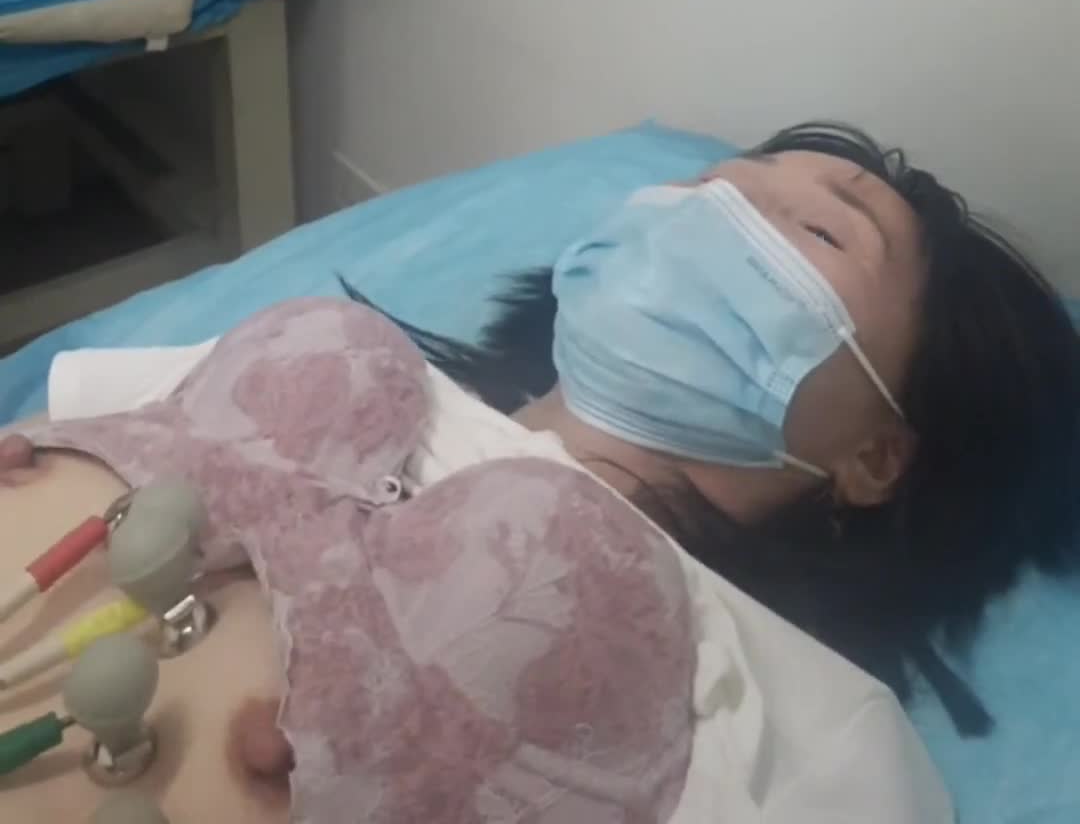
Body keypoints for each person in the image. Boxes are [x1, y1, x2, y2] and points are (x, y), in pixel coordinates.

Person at [1, 121, 1076, 821]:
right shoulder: (346, 373)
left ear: (875, 457)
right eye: (710, 186)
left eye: (817, 231)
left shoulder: (810, 716)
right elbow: (96, 432)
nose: (714, 213)